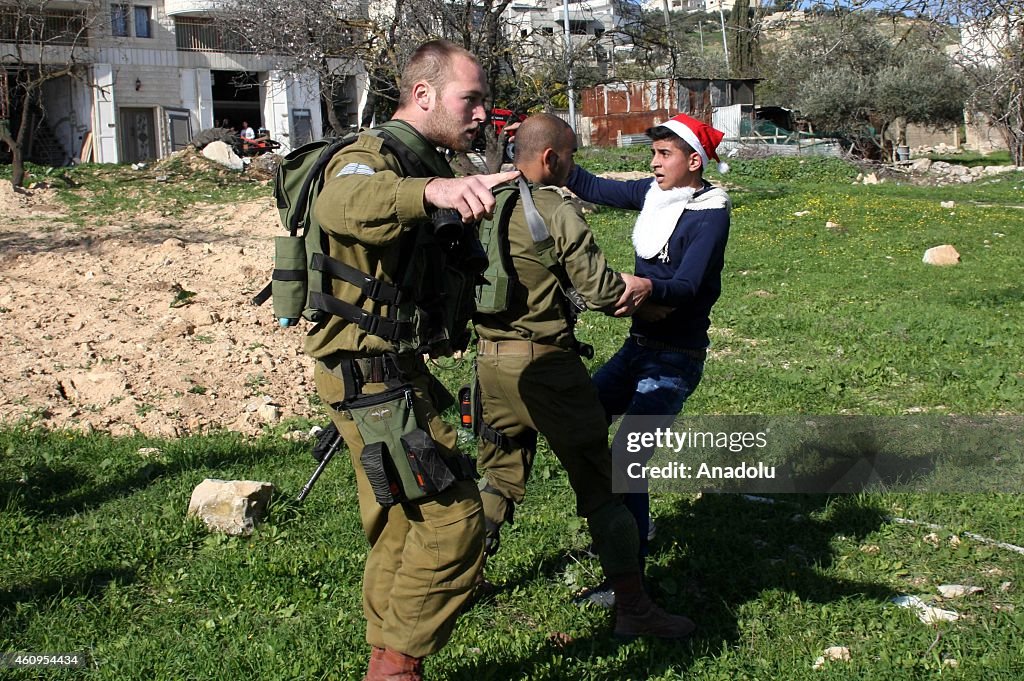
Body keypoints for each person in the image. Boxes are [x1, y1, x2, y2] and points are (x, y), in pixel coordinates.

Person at [306, 40, 519, 681]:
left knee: (403, 521)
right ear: (422, 95)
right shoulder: (369, 157)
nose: (481, 112)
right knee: (455, 523)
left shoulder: (419, 159)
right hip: (367, 375)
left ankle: (387, 655)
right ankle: (395, 668)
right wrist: (435, 190)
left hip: (390, 371)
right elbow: (340, 207)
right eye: (470, 98)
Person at [472, 113, 696, 639]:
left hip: (489, 364)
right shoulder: (553, 209)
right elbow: (600, 292)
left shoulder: (484, 203)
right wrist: (650, 297)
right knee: (604, 485)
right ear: (551, 158)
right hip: (546, 365)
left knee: (499, 477)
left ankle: (464, 577)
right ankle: (634, 607)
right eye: (570, 157)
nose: (573, 167)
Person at [565, 113, 731, 603]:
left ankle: (627, 575)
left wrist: (646, 286)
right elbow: (592, 187)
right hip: (637, 349)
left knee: (628, 457)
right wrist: (552, 150)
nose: (653, 163)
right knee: (583, 416)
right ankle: (630, 527)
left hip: (675, 358)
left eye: (664, 155)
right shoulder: (656, 195)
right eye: (653, 154)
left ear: (693, 162)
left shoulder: (710, 214)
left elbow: (689, 285)